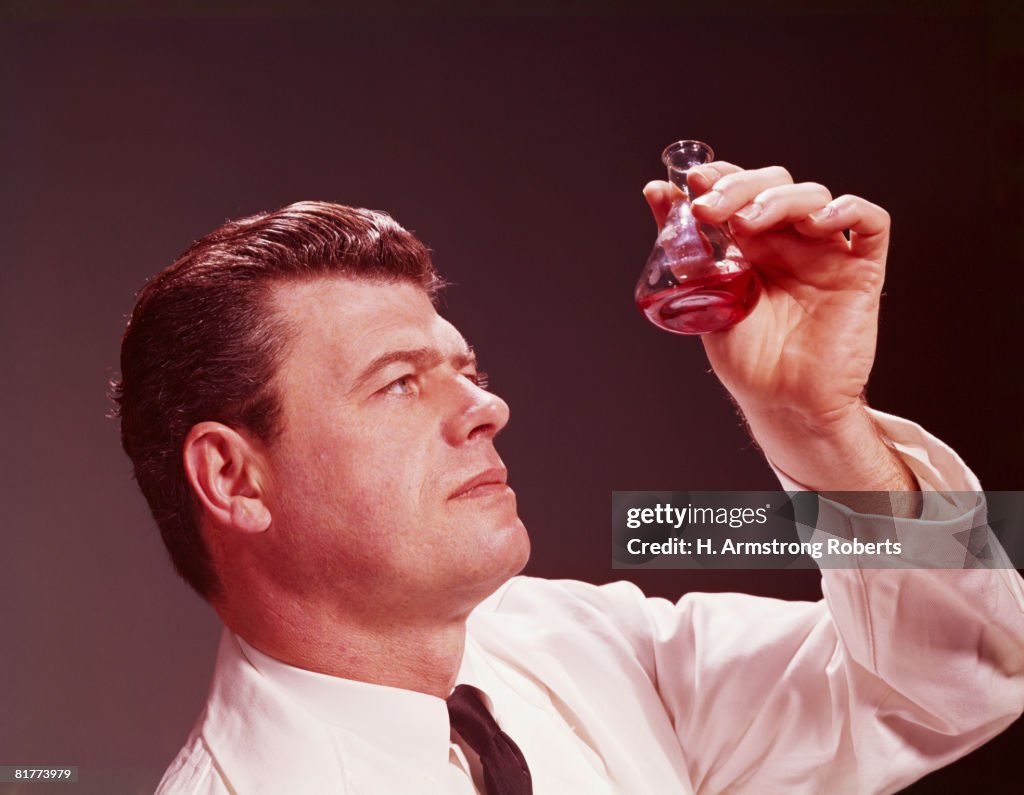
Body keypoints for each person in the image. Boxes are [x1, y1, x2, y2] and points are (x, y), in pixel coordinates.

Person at [113, 161, 1024, 794]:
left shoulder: (584, 647)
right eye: (397, 382)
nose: (486, 407)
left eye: (465, 370)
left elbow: (962, 675)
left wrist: (814, 424)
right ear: (233, 478)